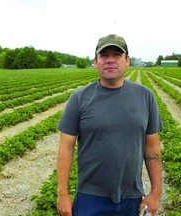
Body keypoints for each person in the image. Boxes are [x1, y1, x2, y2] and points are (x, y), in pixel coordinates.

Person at [56, 34, 163, 216]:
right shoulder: (79, 99)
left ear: (127, 60)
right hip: (90, 197)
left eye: (117, 55)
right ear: (95, 61)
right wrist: (62, 194)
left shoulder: (145, 97)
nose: (111, 60)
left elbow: (152, 146)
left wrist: (156, 192)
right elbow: (66, 147)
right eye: (104, 55)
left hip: (132, 196)